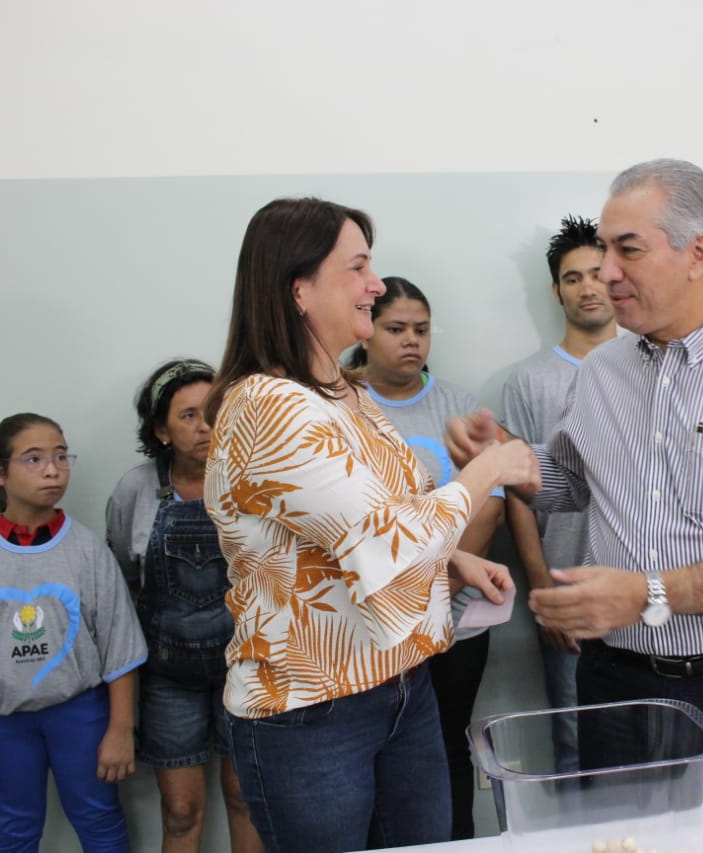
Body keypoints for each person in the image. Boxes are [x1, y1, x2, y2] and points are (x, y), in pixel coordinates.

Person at [448, 159, 703, 805]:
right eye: (604, 249)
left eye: (627, 249)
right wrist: (515, 462)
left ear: (697, 254)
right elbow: (573, 481)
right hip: (617, 684)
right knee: (623, 841)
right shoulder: (602, 370)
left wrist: (648, 594)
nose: (606, 271)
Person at [202, 197, 538, 853]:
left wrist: (452, 559)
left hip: (400, 684)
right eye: (357, 268)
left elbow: (364, 523)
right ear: (298, 289)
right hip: (311, 710)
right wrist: (490, 467)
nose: (376, 285)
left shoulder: (344, 393)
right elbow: (386, 540)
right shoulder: (268, 405)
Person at [0, 413, 147, 852]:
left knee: (99, 818)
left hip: (81, 715)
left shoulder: (87, 550)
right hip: (4, 723)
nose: (52, 470)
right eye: (33, 459)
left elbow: (120, 648)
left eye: (61, 457)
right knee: (12, 830)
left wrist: (120, 729)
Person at [346, 277, 506, 840]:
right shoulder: (342, 404)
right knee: (374, 753)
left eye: (421, 329)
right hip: (373, 625)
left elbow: (488, 506)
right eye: (396, 329)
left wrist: (441, 584)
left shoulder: (459, 405)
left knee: (447, 744)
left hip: (459, 619)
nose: (411, 340)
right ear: (366, 333)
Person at [106, 359, 261, 853]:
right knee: (180, 812)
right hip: (167, 678)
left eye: (213, 411)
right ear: (161, 430)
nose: (205, 427)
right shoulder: (135, 490)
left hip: (246, 669)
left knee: (247, 798)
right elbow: (123, 584)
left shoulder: (254, 480)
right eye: (188, 415)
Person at [501, 214, 615, 773]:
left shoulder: (652, 363)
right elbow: (518, 494)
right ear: (556, 291)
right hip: (568, 592)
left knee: (652, 746)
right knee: (575, 745)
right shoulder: (528, 381)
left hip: (645, 589)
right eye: (573, 278)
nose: (588, 287)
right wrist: (543, 592)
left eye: (597, 273)